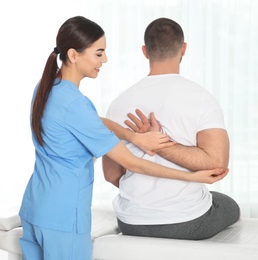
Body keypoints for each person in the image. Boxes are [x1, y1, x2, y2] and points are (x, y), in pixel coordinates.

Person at [18, 16, 229, 260]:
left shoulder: (46, 87)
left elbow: (94, 124)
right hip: (63, 215)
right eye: (99, 53)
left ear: (145, 51)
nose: (104, 59)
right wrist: (191, 177)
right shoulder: (76, 104)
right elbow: (133, 163)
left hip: (35, 206)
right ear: (74, 55)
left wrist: (133, 136)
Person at [103, 17, 240, 241]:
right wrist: (163, 144)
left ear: (145, 51)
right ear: (183, 48)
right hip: (186, 221)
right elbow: (217, 165)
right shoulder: (201, 97)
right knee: (228, 205)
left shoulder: (118, 104)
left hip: (131, 222)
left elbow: (111, 175)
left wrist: (146, 193)